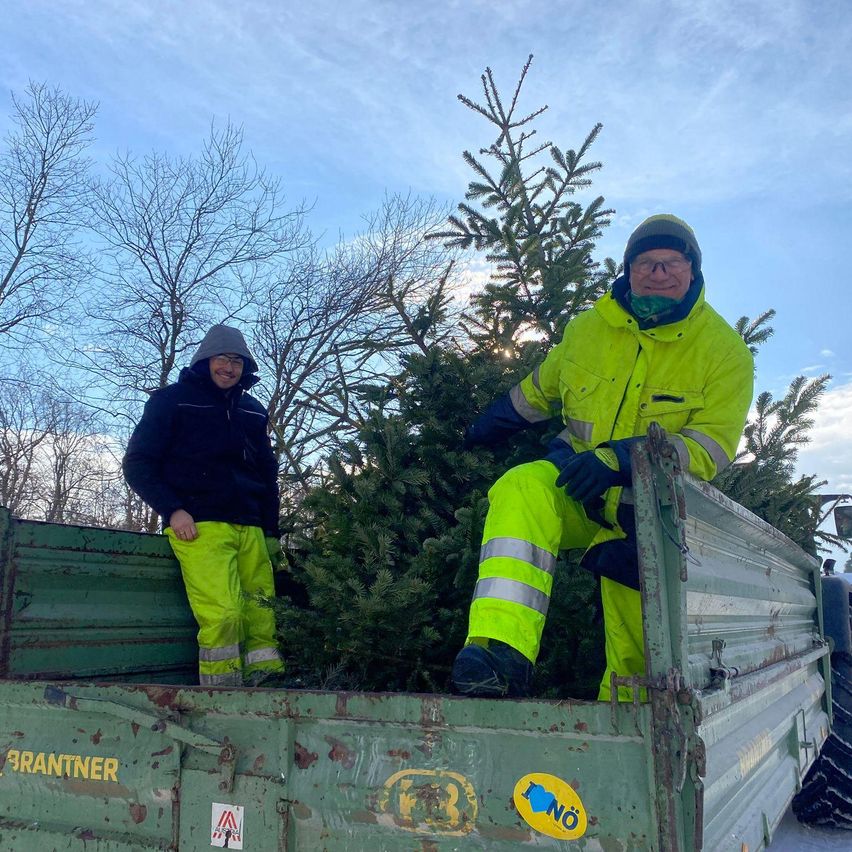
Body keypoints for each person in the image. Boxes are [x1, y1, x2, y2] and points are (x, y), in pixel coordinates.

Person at [452, 214, 754, 701]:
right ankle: (499, 654)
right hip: (577, 486)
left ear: (692, 270)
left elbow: (708, 447)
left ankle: (629, 739)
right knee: (522, 486)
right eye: (646, 262)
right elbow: (539, 391)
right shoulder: (588, 329)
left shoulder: (724, 352)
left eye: (671, 262)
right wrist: (481, 428)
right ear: (628, 267)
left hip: (650, 515)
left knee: (638, 656)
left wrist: (623, 459)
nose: (658, 272)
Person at [123, 324, 285, 687]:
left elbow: (267, 474)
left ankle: (269, 691)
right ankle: (221, 698)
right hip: (200, 525)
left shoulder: (253, 410)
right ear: (204, 360)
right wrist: (174, 508)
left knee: (262, 616)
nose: (229, 368)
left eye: (237, 362)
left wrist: (271, 530)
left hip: (251, 527)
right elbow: (138, 463)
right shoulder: (172, 400)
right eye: (222, 359)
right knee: (225, 615)